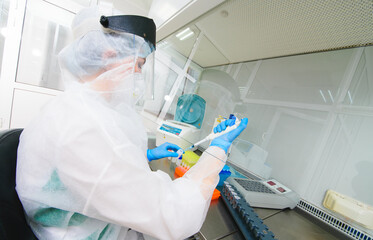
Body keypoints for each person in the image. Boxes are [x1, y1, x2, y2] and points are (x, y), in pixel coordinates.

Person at [15, 6, 248, 240]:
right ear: (108, 57)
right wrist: (217, 150)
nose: (139, 75)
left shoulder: (77, 107)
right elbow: (172, 215)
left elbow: (98, 168)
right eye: (139, 64)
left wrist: (145, 155)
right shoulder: (82, 128)